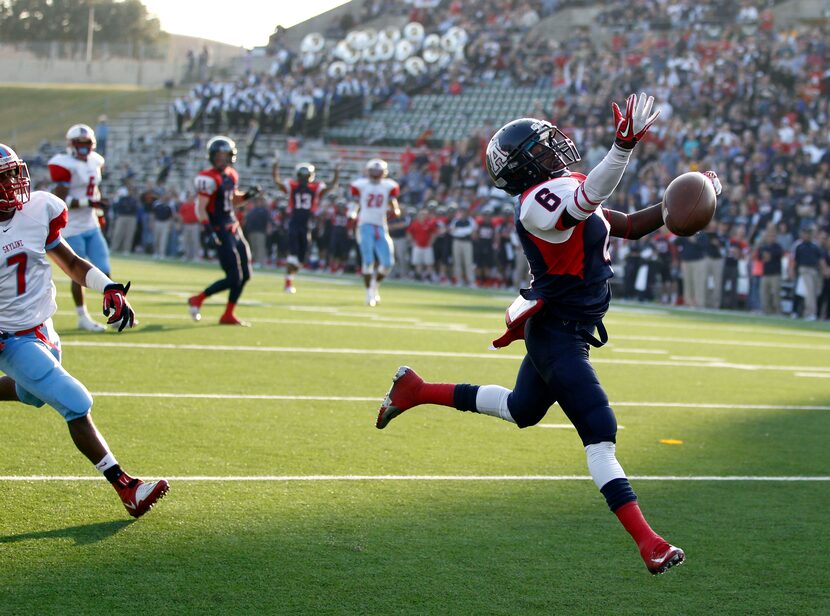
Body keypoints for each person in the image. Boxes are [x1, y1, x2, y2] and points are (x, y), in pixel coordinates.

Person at [376, 95, 722, 575]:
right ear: (525, 165)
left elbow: (630, 225)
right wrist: (622, 147)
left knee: (522, 410)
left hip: (564, 329)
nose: (553, 146)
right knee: (600, 435)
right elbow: (589, 201)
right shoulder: (537, 205)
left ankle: (415, 390)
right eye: (540, 147)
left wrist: (696, 192)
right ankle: (650, 543)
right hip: (556, 334)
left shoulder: (564, 188)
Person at [0, 144, 168, 517]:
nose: (13, 183)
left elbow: (71, 262)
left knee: (33, 395)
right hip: (9, 337)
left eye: (15, 173)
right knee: (74, 401)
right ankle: (127, 488)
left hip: (43, 324)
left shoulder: (37, 210)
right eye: (3, 177)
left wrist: (107, 287)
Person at [187, 136, 261, 326]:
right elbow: (201, 207)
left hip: (233, 226)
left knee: (246, 274)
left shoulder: (231, 175)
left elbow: (232, 200)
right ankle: (198, 299)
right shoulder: (208, 177)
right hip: (219, 228)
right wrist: (208, 230)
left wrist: (247, 196)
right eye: (217, 156)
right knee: (234, 277)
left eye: (224, 155)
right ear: (211, 157)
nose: (220, 159)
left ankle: (228, 314)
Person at [47, 124, 112, 332]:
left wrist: (99, 213)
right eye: (80, 144)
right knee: (78, 271)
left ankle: (115, 312)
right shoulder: (63, 164)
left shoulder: (96, 161)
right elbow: (61, 198)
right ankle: (82, 316)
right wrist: (89, 203)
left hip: (91, 224)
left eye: (87, 144)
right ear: (72, 145)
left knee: (105, 269)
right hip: (71, 226)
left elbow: (96, 191)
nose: (84, 148)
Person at [273, 157, 338, 293]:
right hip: (295, 223)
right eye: (301, 176)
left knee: (301, 261)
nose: (303, 178)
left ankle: (289, 277)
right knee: (293, 255)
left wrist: (336, 170)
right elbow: (277, 182)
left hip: (307, 225)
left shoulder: (315, 188)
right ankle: (288, 282)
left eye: (306, 176)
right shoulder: (292, 186)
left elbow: (331, 185)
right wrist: (275, 166)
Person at [350, 159, 401, 306]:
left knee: (387, 263)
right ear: (368, 171)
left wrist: (395, 211)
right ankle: (368, 294)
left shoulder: (388, 186)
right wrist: (352, 213)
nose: (376, 174)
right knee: (368, 261)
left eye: (379, 171)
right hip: (365, 224)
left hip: (380, 226)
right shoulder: (361, 185)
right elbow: (355, 203)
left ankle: (374, 286)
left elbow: (394, 205)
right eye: (374, 170)